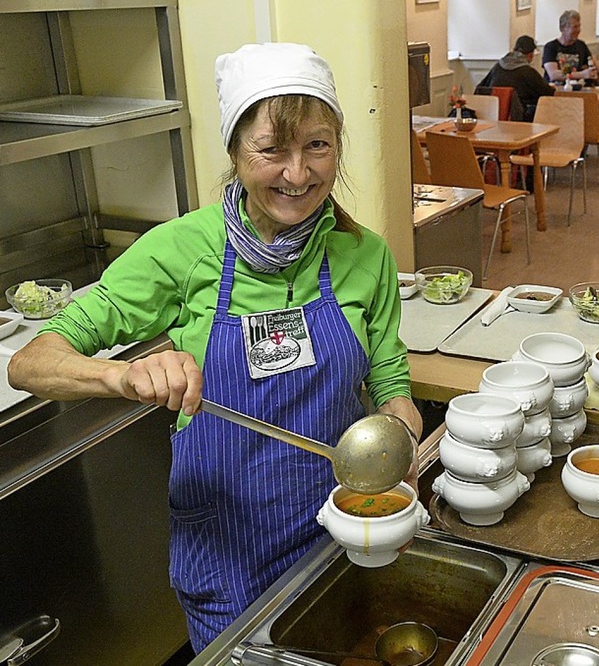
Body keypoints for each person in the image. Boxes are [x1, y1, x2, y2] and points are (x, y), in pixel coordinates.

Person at [7, 42, 422, 652]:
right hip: (226, 550)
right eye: (271, 149)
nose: (298, 173)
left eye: (317, 145)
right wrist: (126, 377)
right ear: (233, 151)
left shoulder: (365, 254)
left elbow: (391, 384)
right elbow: (30, 362)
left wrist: (397, 443)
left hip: (339, 535)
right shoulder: (181, 249)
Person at [475, 35, 555, 122]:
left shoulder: (498, 67)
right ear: (530, 55)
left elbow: (481, 87)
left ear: (513, 49)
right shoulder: (528, 72)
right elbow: (548, 93)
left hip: (492, 115)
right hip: (520, 118)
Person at [542, 10, 599, 84]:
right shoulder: (551, 47)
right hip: (556, 91)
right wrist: (582, 74)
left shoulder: (581, 45)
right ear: (563, 28)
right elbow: (553, 75)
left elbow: (593, 62)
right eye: (575, 27)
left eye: (579, 26)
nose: (578, 30)